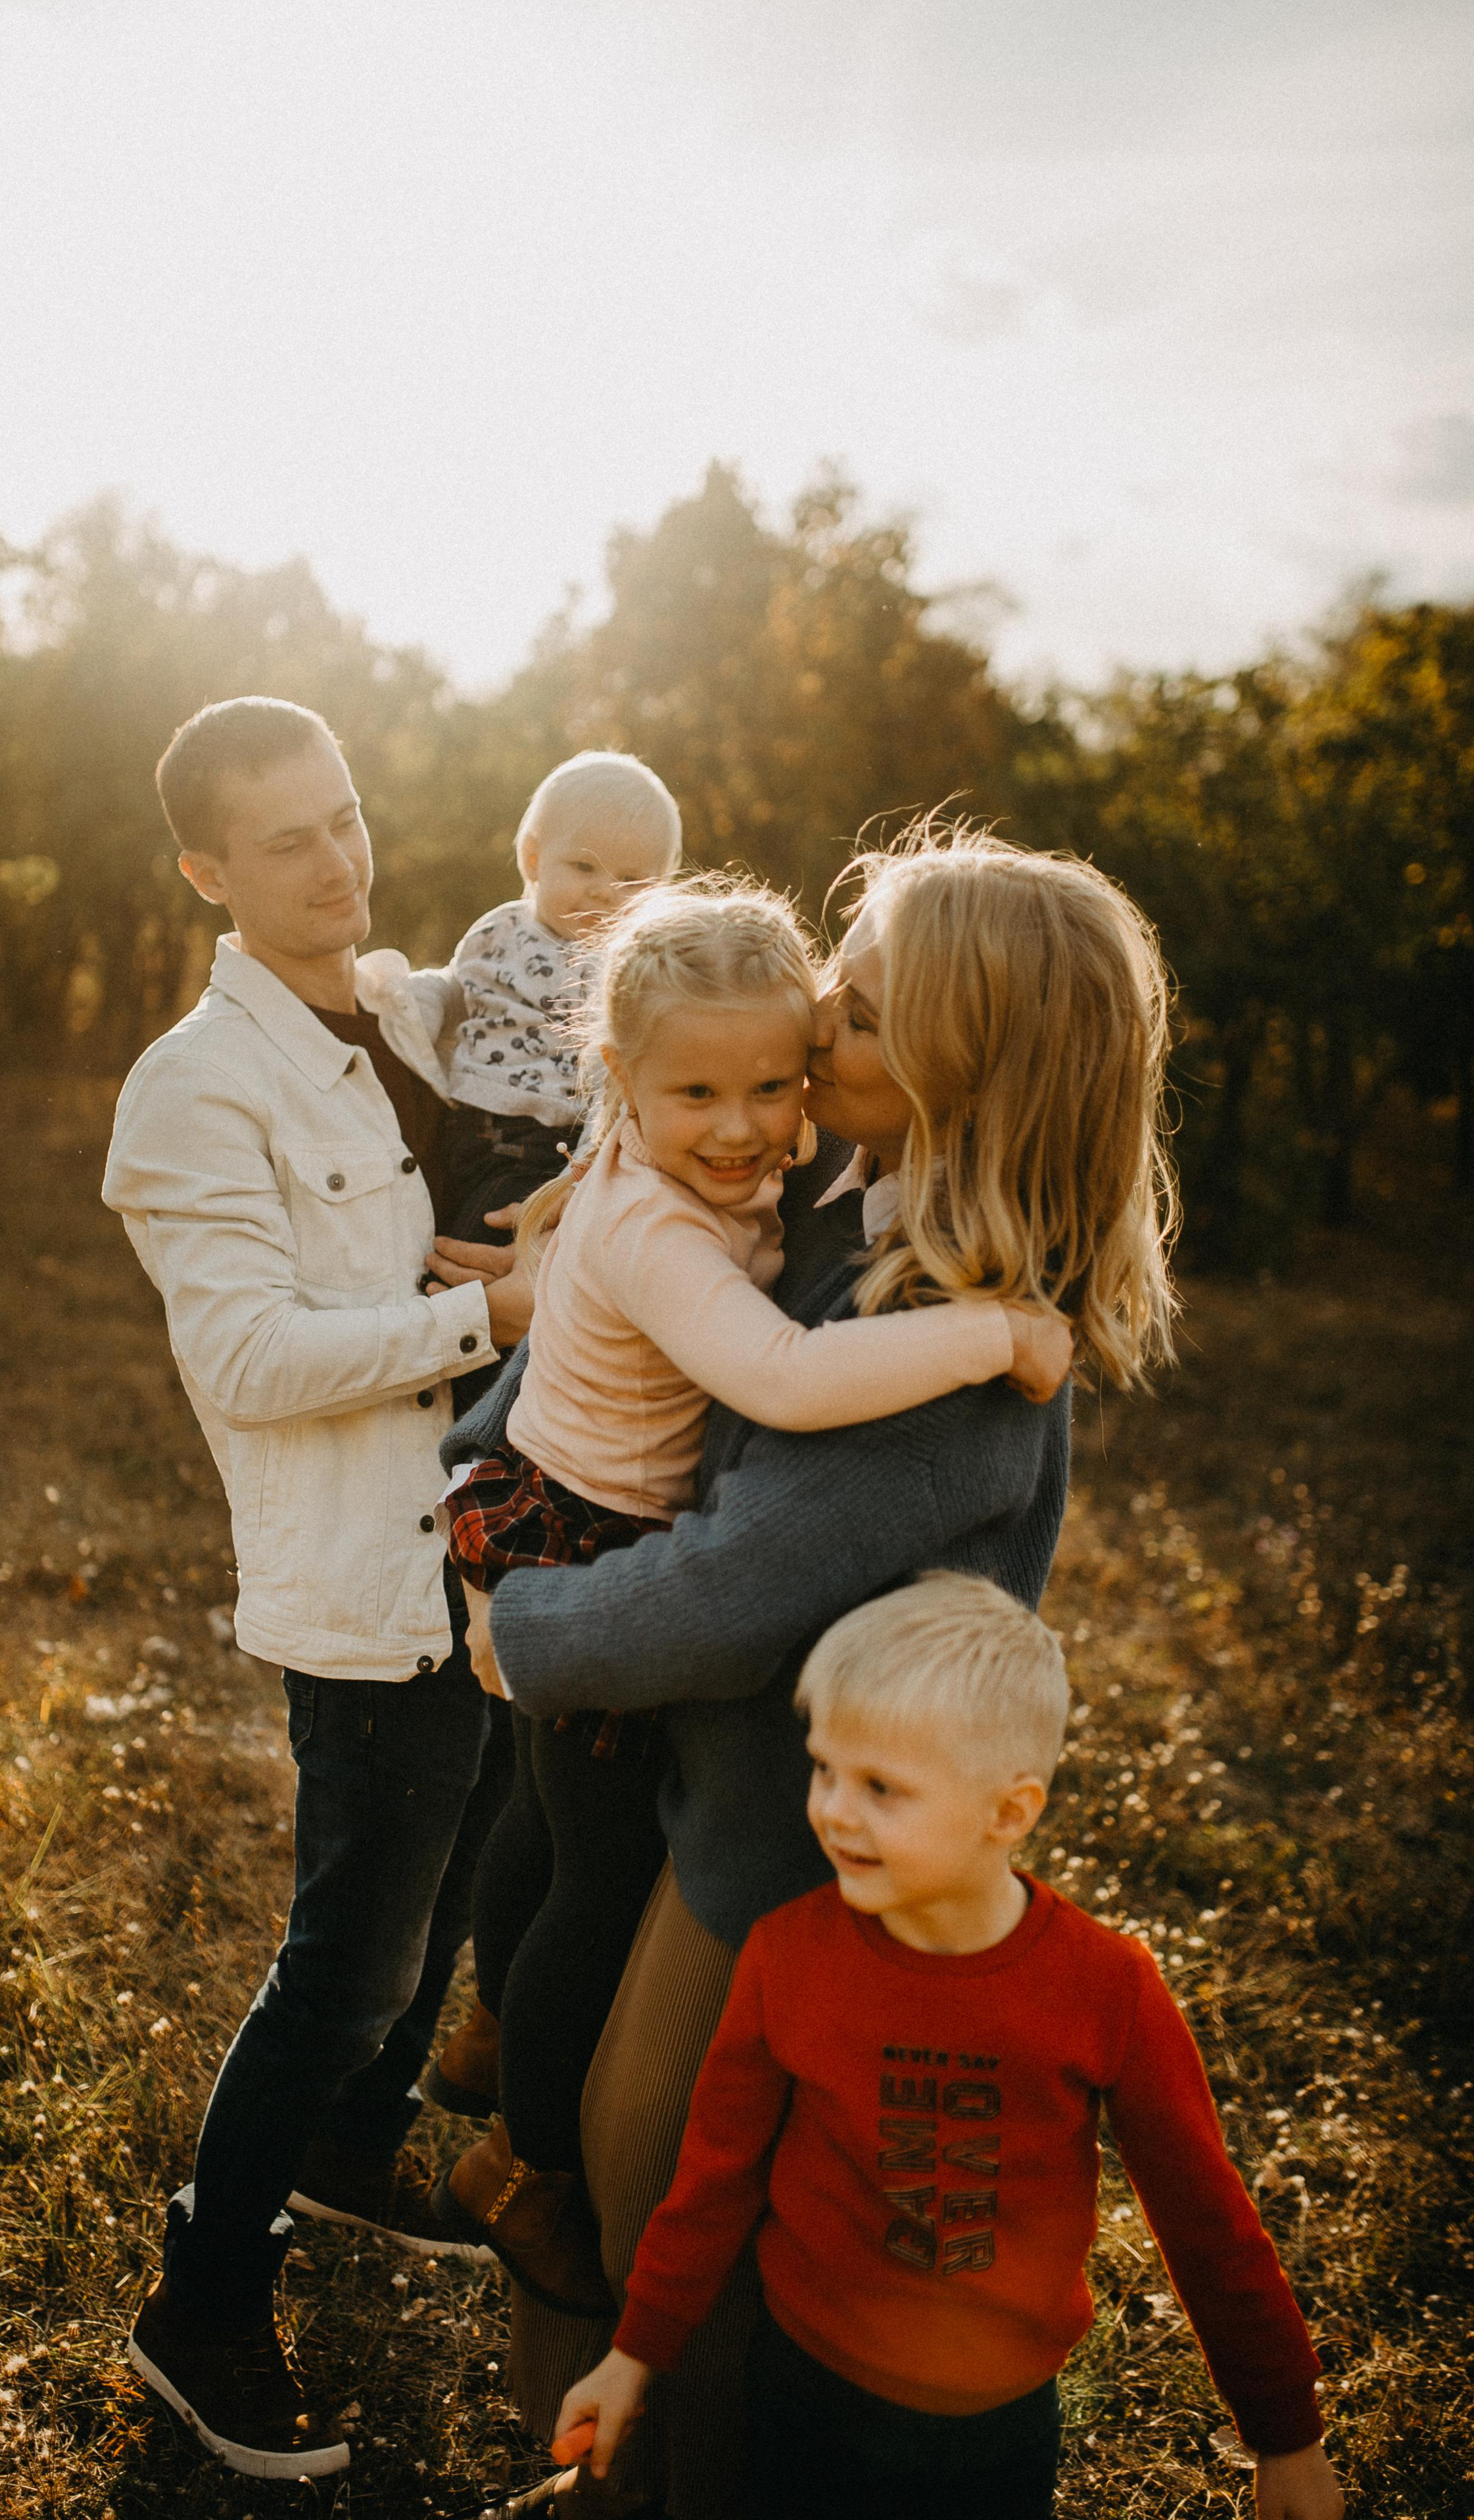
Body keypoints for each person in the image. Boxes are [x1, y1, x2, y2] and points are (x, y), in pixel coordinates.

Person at [446, 820, 1181, 2520]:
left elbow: (732, 1585)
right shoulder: (825, 1193)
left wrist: (525, 1627)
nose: (819, 1015)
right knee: (594, 2132)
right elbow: (607, 1349)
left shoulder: (957, 1340)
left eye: (860, 1007)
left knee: (664, 2208)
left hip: (780, 1840)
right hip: (687, 1774)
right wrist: (486, 1479)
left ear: (965, 1067)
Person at [101, 697, 532, 2482]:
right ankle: (200, 2305)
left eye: (345, 818)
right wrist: (483, 1314)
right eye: (286, 840)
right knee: (348, 1960)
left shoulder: (426, 1009)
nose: (337, 861)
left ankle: (355, 2147)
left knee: (448, 1913)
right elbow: (253, 1357)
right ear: (206, 868)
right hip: (371, 1582)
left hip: (512, 1556)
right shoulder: (196, 1086)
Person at [556, 1574, 1343, 2520]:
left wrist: (1287, 2434)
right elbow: (714, 2178)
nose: (836, 1811)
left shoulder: (1106, 1990)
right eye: (826, 1769)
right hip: (805, 2393)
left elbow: (1206, 2218)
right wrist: (635, 2354)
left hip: (995, 2430)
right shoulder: (789, 1953)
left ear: (1009, 1811)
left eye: (882, 1787)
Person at [411, 750, 684, 1250]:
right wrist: (415, 1002)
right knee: (442, 1226)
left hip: (551, 1144)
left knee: (497, 1237)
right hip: (471, 1122)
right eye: (584, 867)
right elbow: (462, 988)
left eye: (630, 881)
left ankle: (476, 1314)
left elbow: (615, 1071)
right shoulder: (502, 929)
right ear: (534, 860)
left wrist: (588, 1165)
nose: (605, 892)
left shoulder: (630, 967)